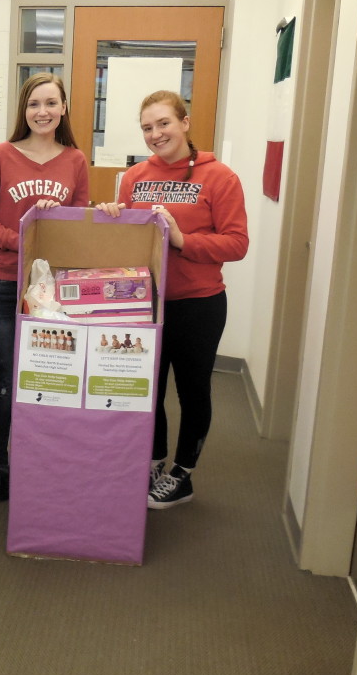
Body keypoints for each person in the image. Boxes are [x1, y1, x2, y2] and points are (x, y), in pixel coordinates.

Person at [97, 90, 248, 509]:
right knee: (148, 387)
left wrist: (182, 240)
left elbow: (237, 244)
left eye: (163, 123)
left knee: (192, 389)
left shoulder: (220, 178)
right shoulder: (134, 178)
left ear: (184, 122)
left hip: (199, 303)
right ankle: (153, 459)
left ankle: (183, 473)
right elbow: (126, 241)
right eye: (147, 127)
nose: (156, 134)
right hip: (145, 303)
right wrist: (113, 216)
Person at [0, 72, 90, 501]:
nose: (43, 111)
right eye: (35, 104)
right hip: (3, 281)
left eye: (51, 103)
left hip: (51, 289)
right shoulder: (1, 155)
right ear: (24, 109)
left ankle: (42, 457)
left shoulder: (75, 160)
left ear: (62, 110)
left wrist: (57, 223)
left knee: (48, 376)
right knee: (5, 376)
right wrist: (24, 237)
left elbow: (79, 225)